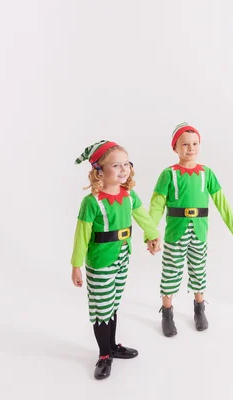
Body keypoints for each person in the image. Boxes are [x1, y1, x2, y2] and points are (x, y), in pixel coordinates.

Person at [71, 140, 162, 379]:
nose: (123, 170)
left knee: (112, 304)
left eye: (126, 164)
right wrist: (76, 265)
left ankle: (112, 346)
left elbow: (144, 218)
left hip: (123, 255)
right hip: (100, 260)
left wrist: (152, 236)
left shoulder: (129, 196)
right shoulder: (91, 202)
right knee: (102, 307)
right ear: (99, 170)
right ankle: (103, 355)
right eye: (116, 165)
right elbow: (81, 235)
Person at [146, 122, 233, 336]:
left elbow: (221, 202)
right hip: (175, 233)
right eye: (185, 144)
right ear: (175, 148)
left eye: (195, 143)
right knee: (171, 272)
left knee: (198, 269)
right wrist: (151, 234)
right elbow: (156, 205)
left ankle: (199, 309)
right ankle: (167, 313)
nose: (190, 148)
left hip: (199, 232)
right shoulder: (168, 174)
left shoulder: (206, 173)